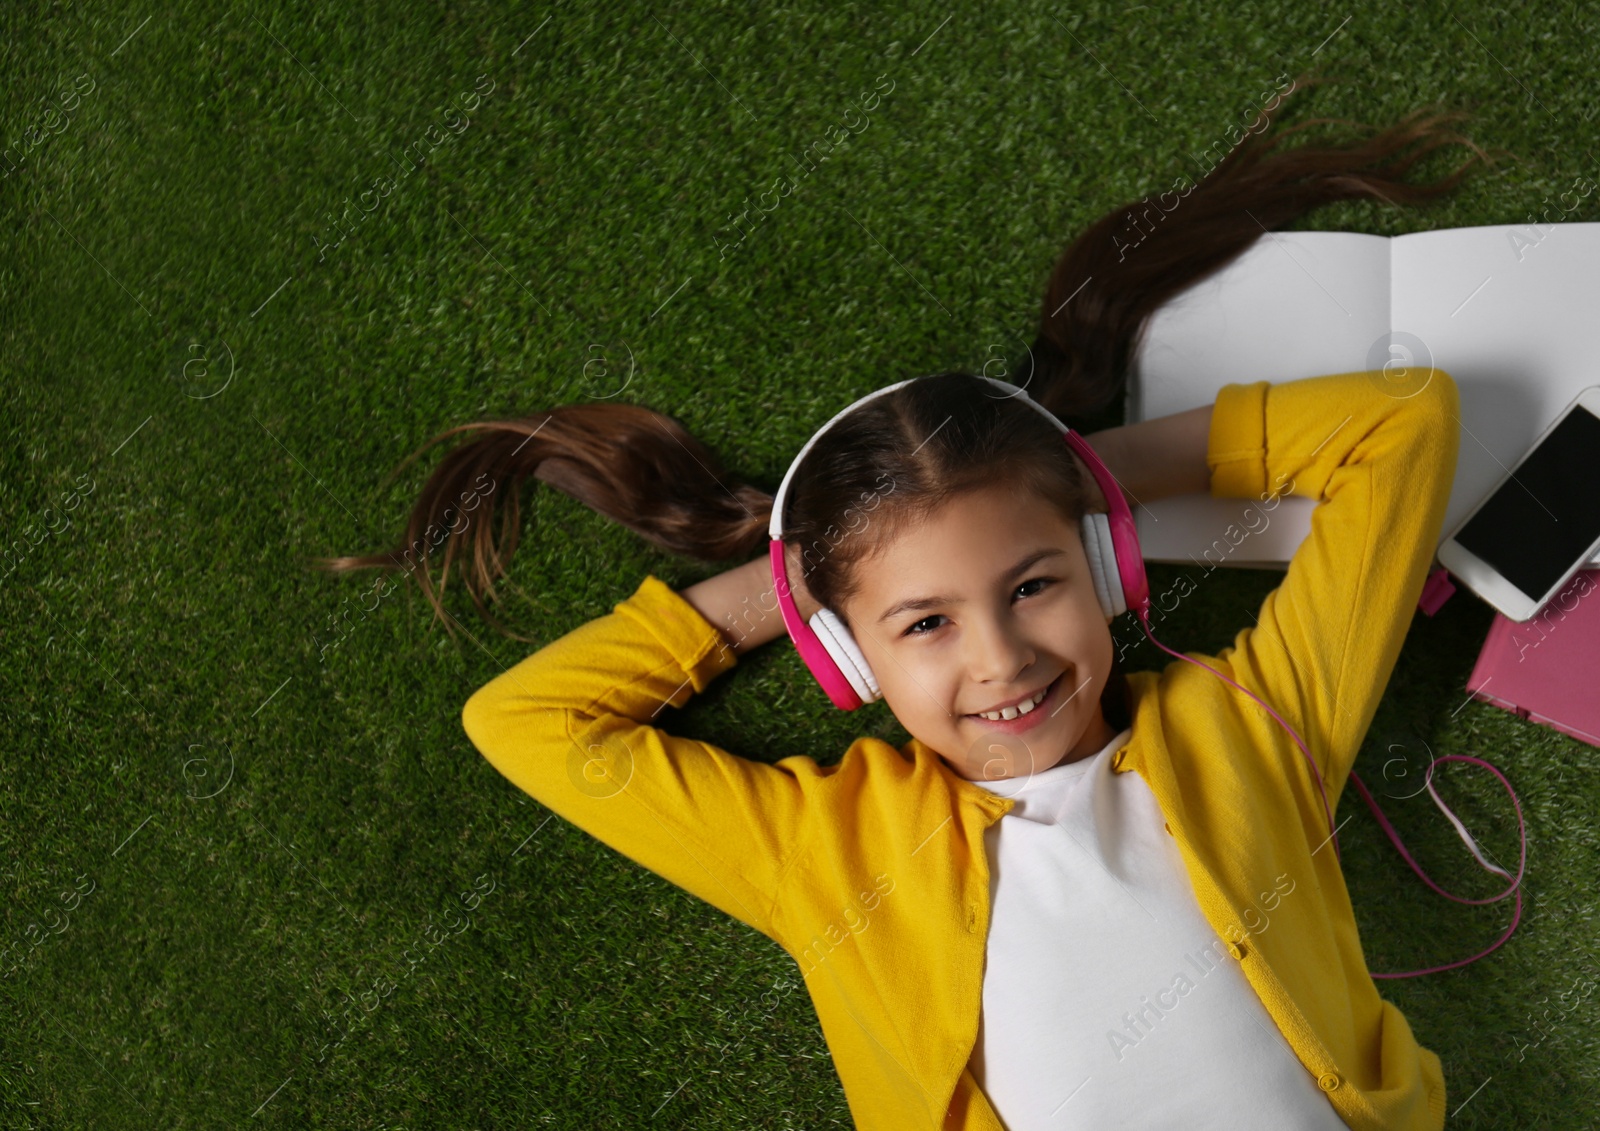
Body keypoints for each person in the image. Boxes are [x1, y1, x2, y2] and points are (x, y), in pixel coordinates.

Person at [318, 75, 1489, 1130]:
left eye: (1034, 582)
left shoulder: (1257, 727)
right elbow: (525, 722)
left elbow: (1403, 427)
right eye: (923, 621)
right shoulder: (824, 851)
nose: (1001, 658)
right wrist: (800, 583)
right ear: (845, 649)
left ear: (1104, 564)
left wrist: (1077, 477)